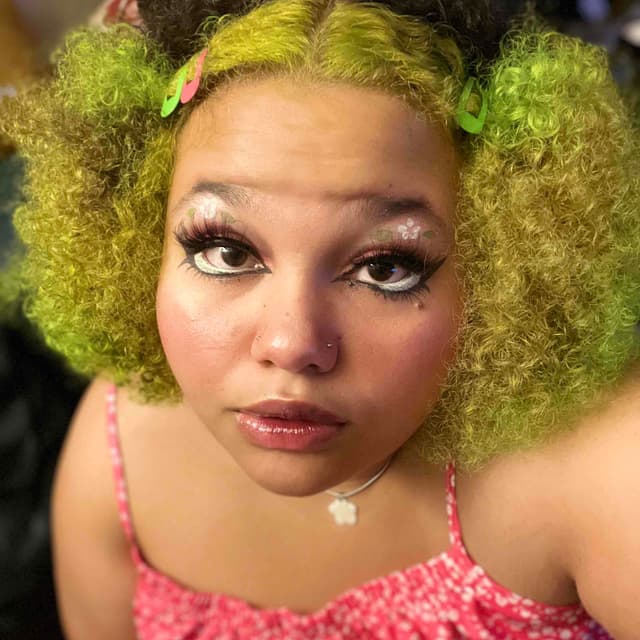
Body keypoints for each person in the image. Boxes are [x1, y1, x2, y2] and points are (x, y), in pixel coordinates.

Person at [1, 0, 639, 638]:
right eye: (225, 252)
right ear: (139, 246)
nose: (292, 343)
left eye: (385, 268)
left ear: (503, 265)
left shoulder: (598, 466)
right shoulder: (120, 447)